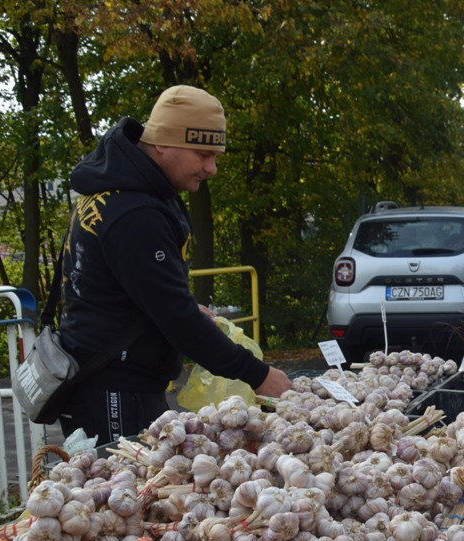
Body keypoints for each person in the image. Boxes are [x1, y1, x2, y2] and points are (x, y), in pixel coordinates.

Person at [57, 84, 292, 444]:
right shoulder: (134, 212)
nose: (211, 168)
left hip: (120, 379)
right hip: (113, 387)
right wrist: (258, 374)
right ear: (163, 142)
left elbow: (125, 287)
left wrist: (174, 303)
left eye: (216, 156)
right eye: (202, 153)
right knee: (125, 491)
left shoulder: (123, 190)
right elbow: (177, 319)